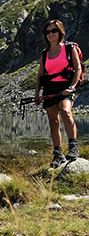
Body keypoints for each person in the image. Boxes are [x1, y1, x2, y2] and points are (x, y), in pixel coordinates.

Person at [35, 20, 81, 169]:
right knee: (53, 122)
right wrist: (37, 93)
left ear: (60, 31)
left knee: (66, 111)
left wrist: (71, 87)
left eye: (53, 30)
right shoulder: (45, 54)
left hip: (65, 87)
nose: (50, 34)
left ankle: (73, 146)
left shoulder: (69, 48)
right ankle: (58, 153)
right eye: (47, 32)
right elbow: (40, 75)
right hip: (49, 89)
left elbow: (78, 69)